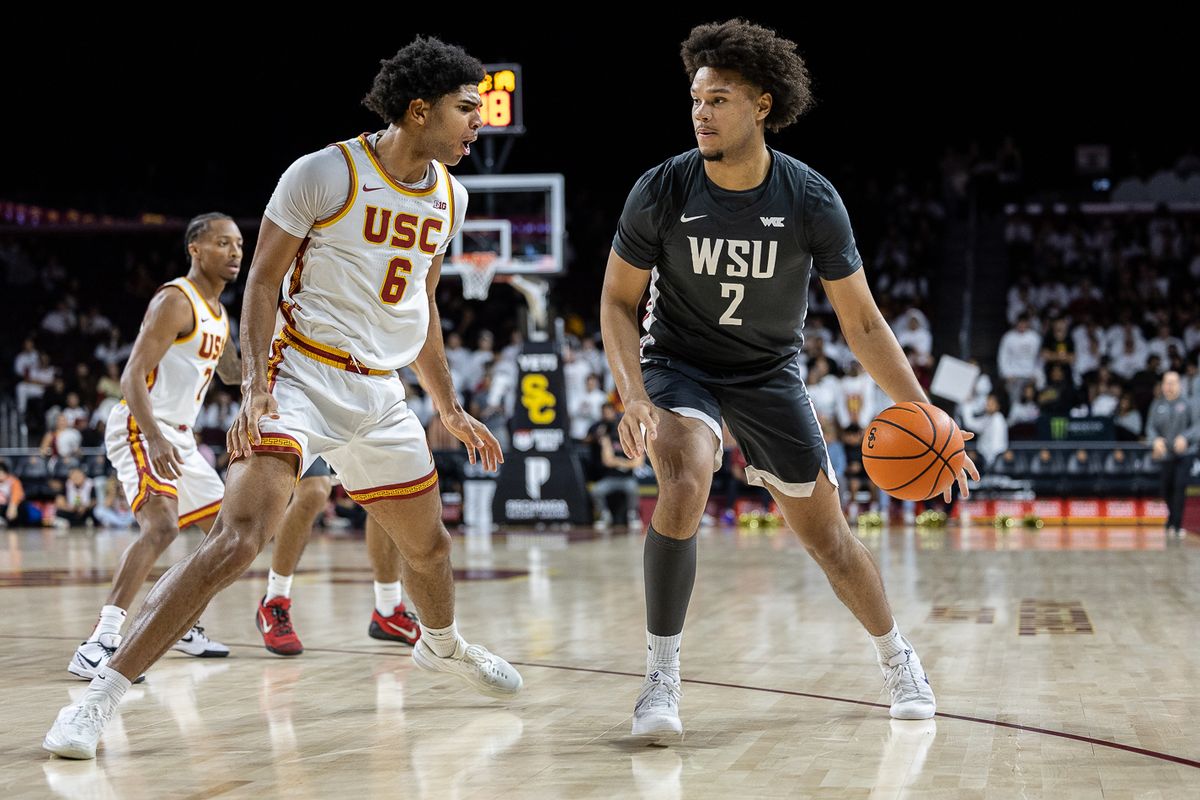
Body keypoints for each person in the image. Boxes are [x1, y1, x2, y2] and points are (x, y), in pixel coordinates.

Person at [45, 36, 521, 760]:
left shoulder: (452, 197)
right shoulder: (326, 172)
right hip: (301, 375)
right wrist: (258, 390)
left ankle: (443, 645)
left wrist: (448, 406)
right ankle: (97, 697)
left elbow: (422, 305)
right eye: (466, 109)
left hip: (380, 391)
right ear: (420, 110)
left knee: (429, 548)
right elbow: (263, 282)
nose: (477, 123)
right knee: (237, 538)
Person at [599, 20, 978, 740]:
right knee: (684, 479)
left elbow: (862, 324)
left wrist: (928, 415)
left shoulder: (809, 197)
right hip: (678, 364)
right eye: (695, 99)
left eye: (719, 99)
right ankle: (660, 679)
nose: (701, 113)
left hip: (769, 373)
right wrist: (634, 395)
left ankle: (898, 659)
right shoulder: (663, 188)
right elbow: (618, 301)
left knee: (828, 537)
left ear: (762, 105)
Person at [64, 212, 242, 685]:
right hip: (143, 424)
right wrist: (156, 437)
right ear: (195, 249)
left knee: (229, 535)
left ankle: (180, 623)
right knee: (161, 527)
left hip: (179, 434)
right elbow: (131, 377)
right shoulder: (175, 300)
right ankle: (99, 643)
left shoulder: (220, 313)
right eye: (222, 243)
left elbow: (231, 373)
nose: (234, 252)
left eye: (239, 244)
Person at [256, 458, 419, 656]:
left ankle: (388, 610)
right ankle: (274, 600)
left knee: (385, 491)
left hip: (355, 435)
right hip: (315, 436)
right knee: (313, 492)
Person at [1146, 371, 1200, 535]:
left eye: (1173, 383)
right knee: (1166, 487)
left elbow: (1197, 427)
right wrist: (1155, 440)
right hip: (1166, 454)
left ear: (1179, 385)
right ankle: (1171, 519)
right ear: (1162, 385)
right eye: (1167, 383)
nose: (1169, 386)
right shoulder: (1157, 404)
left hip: (1185, 453)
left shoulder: (1189, 403)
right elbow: (1150, 427)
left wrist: (1185, 437)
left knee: (1179, 486)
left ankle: (1177, 524)